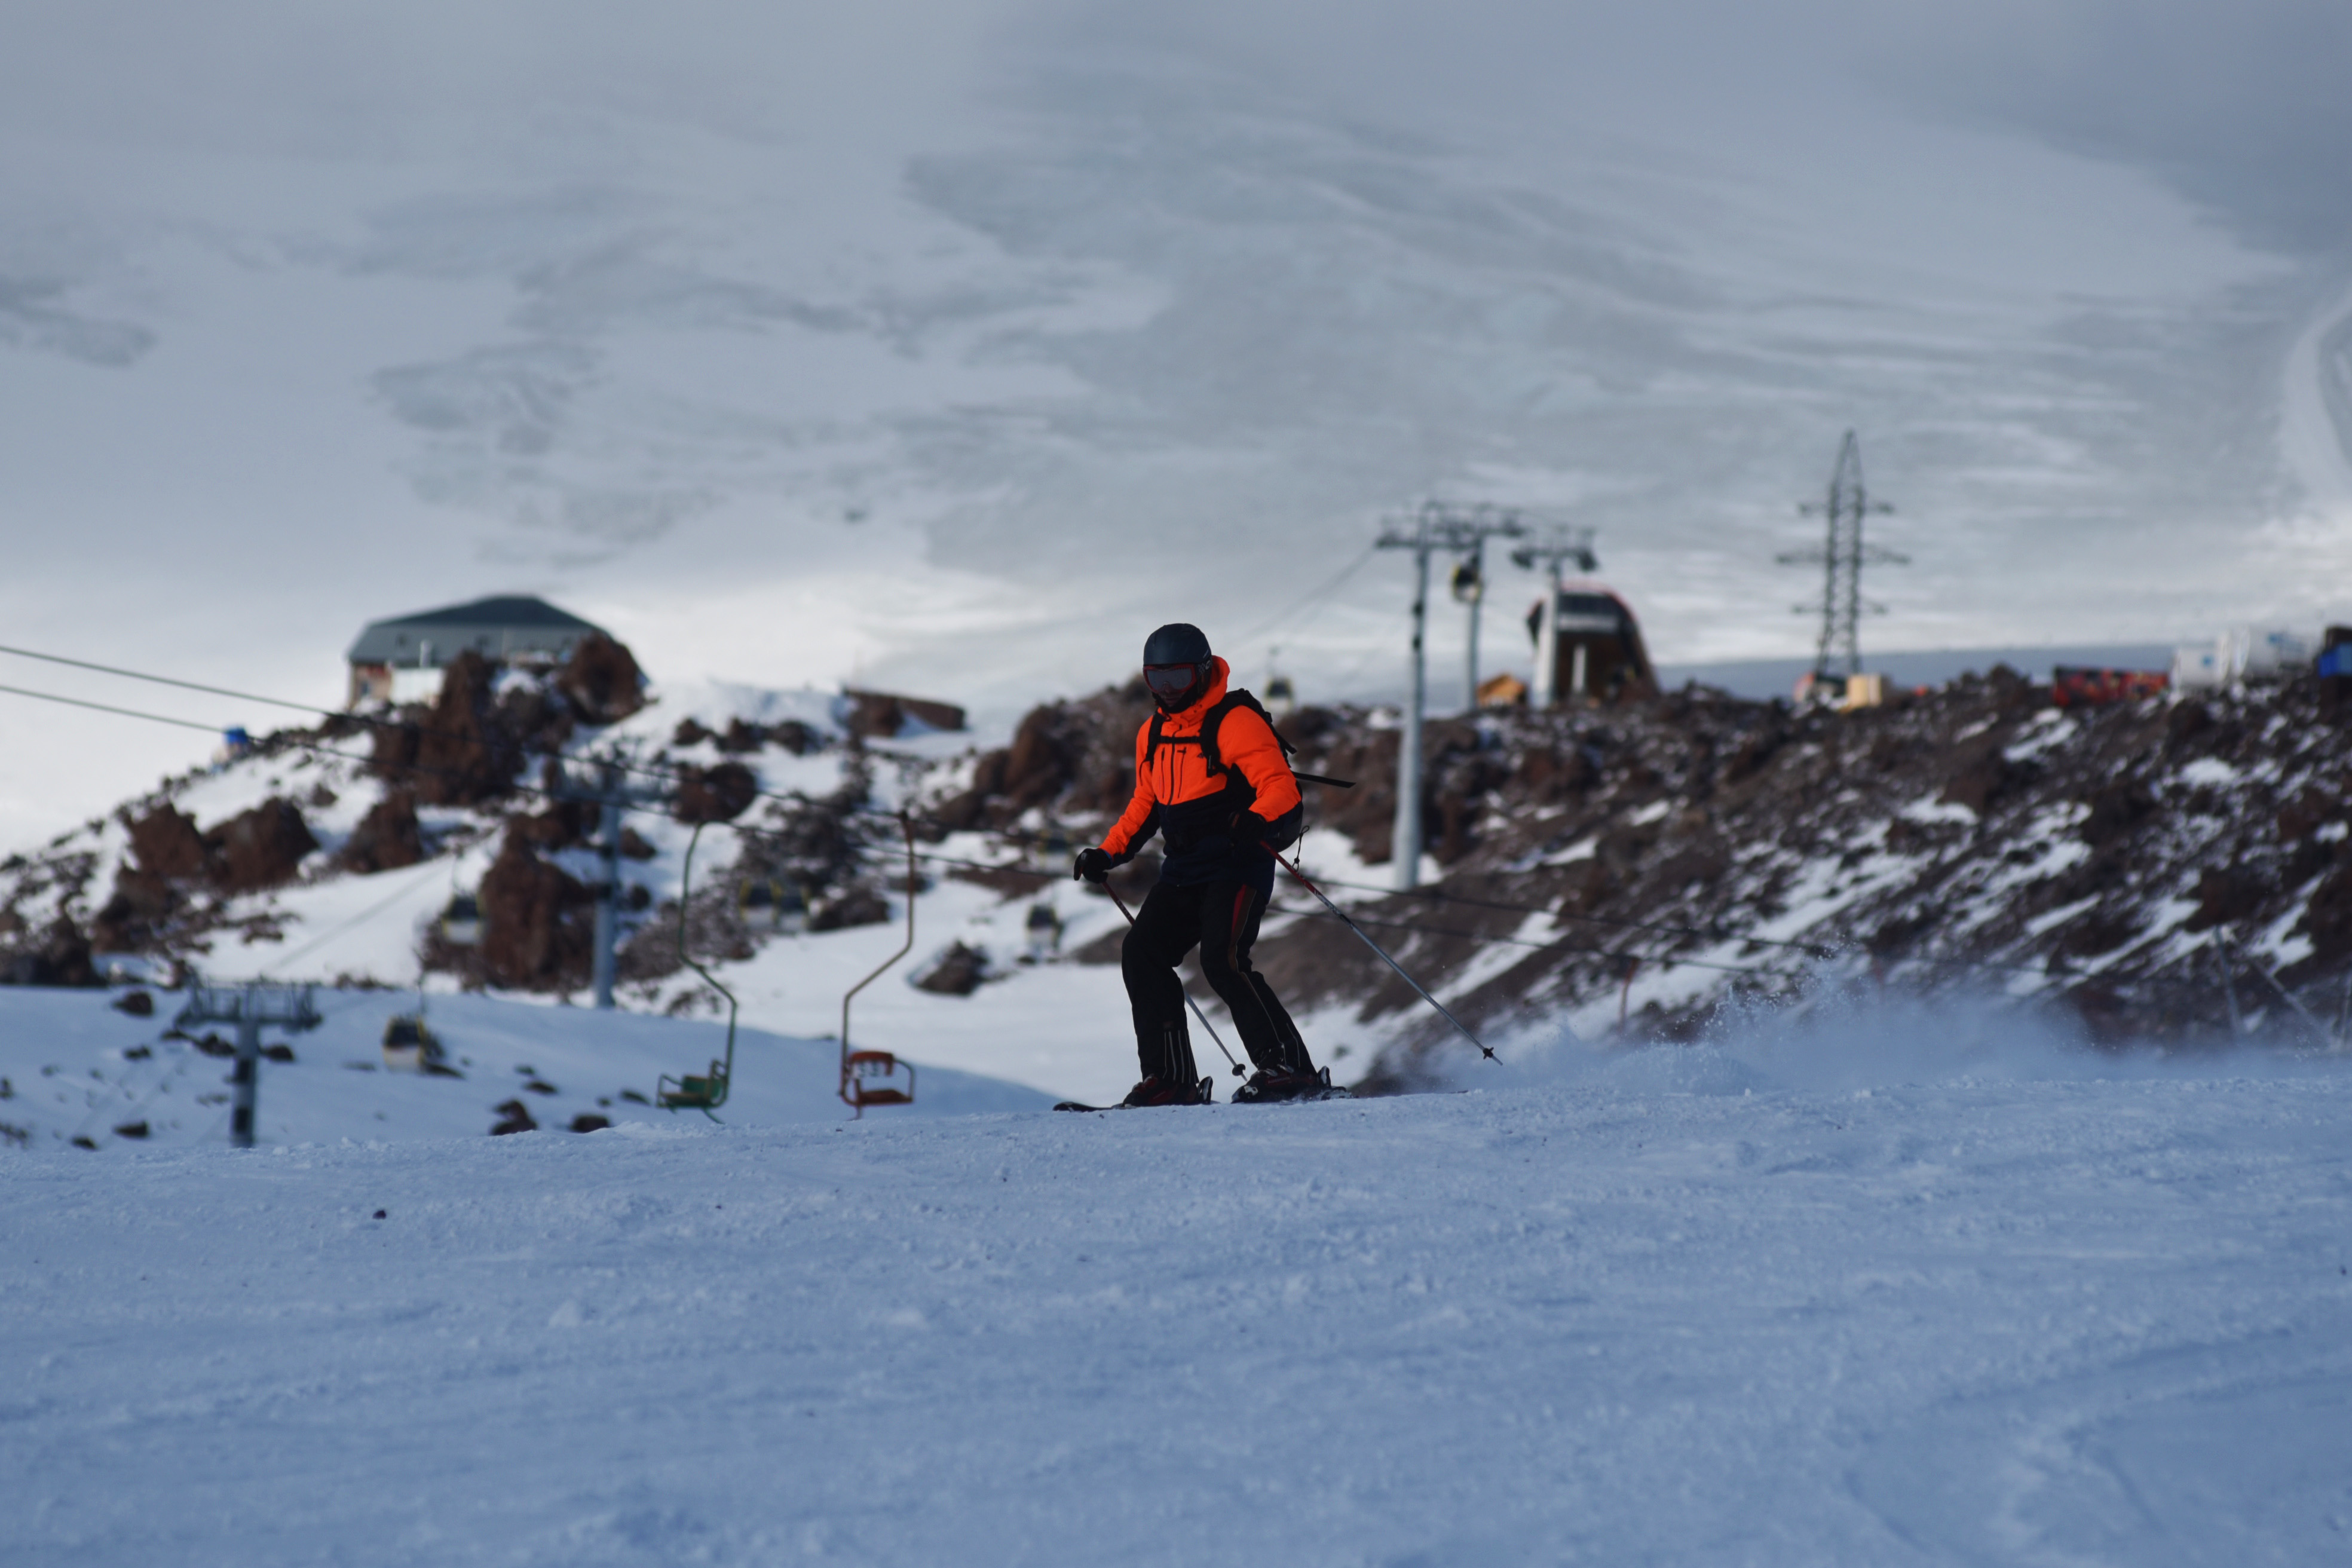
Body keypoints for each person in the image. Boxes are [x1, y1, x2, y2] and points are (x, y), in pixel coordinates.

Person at [1073, 623, 1324, 1105]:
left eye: (1179, 678)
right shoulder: (1153, 732)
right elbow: (1146, 803)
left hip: (1237, 864)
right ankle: (1171, 1081)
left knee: (1223, 960)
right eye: (1157, 679)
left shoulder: (1234, 721)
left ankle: (1291, 1070)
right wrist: (1108, 852)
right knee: (1142, 953)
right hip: (1184, 867)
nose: (1168, 691)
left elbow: (1281, 788)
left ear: (1203, 671)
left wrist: (1257, 817)